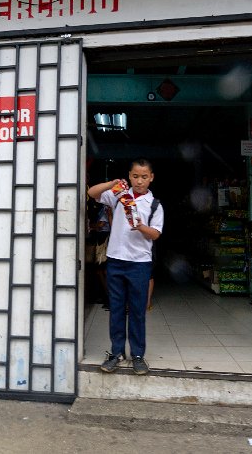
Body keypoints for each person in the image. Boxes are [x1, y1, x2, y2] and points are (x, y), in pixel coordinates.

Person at [86, 158, 163, 375]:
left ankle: (138, 355)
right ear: (129, 176)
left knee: (137, 311)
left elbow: (156, 234)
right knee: (117, 309)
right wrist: (111, 184)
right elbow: (92, 193)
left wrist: (140, 227)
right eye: (135, 176)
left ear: (151, 178)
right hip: (116, 260)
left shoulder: (155, 204)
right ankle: (116, 352)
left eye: (144, 177)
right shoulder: (120, 196)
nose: (139, 181)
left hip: (139, 262)